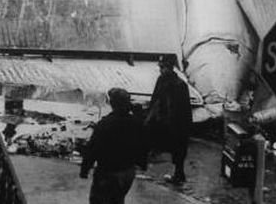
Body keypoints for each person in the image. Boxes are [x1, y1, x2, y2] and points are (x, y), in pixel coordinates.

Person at [80, 88, 147, 204]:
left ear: (112, 104)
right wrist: (142, 163)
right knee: (117, 200)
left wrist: (85, 168)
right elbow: (143, 144)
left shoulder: (105, 124)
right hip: (127, 171)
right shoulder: (135, 123)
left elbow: (93, 148)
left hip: (108, 172)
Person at [144, 55, 192, 184]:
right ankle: (143, 164)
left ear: (170, 68)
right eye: (160, 67)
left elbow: (184, 108)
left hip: (176, 123)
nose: (161, 70)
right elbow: (155, 99)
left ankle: (179, 174)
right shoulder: (161, 80)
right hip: (162, 120)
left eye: (163, 67)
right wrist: (150, 116)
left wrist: (184, 125)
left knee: (178, 150)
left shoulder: (180, 85)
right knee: (149, 140)